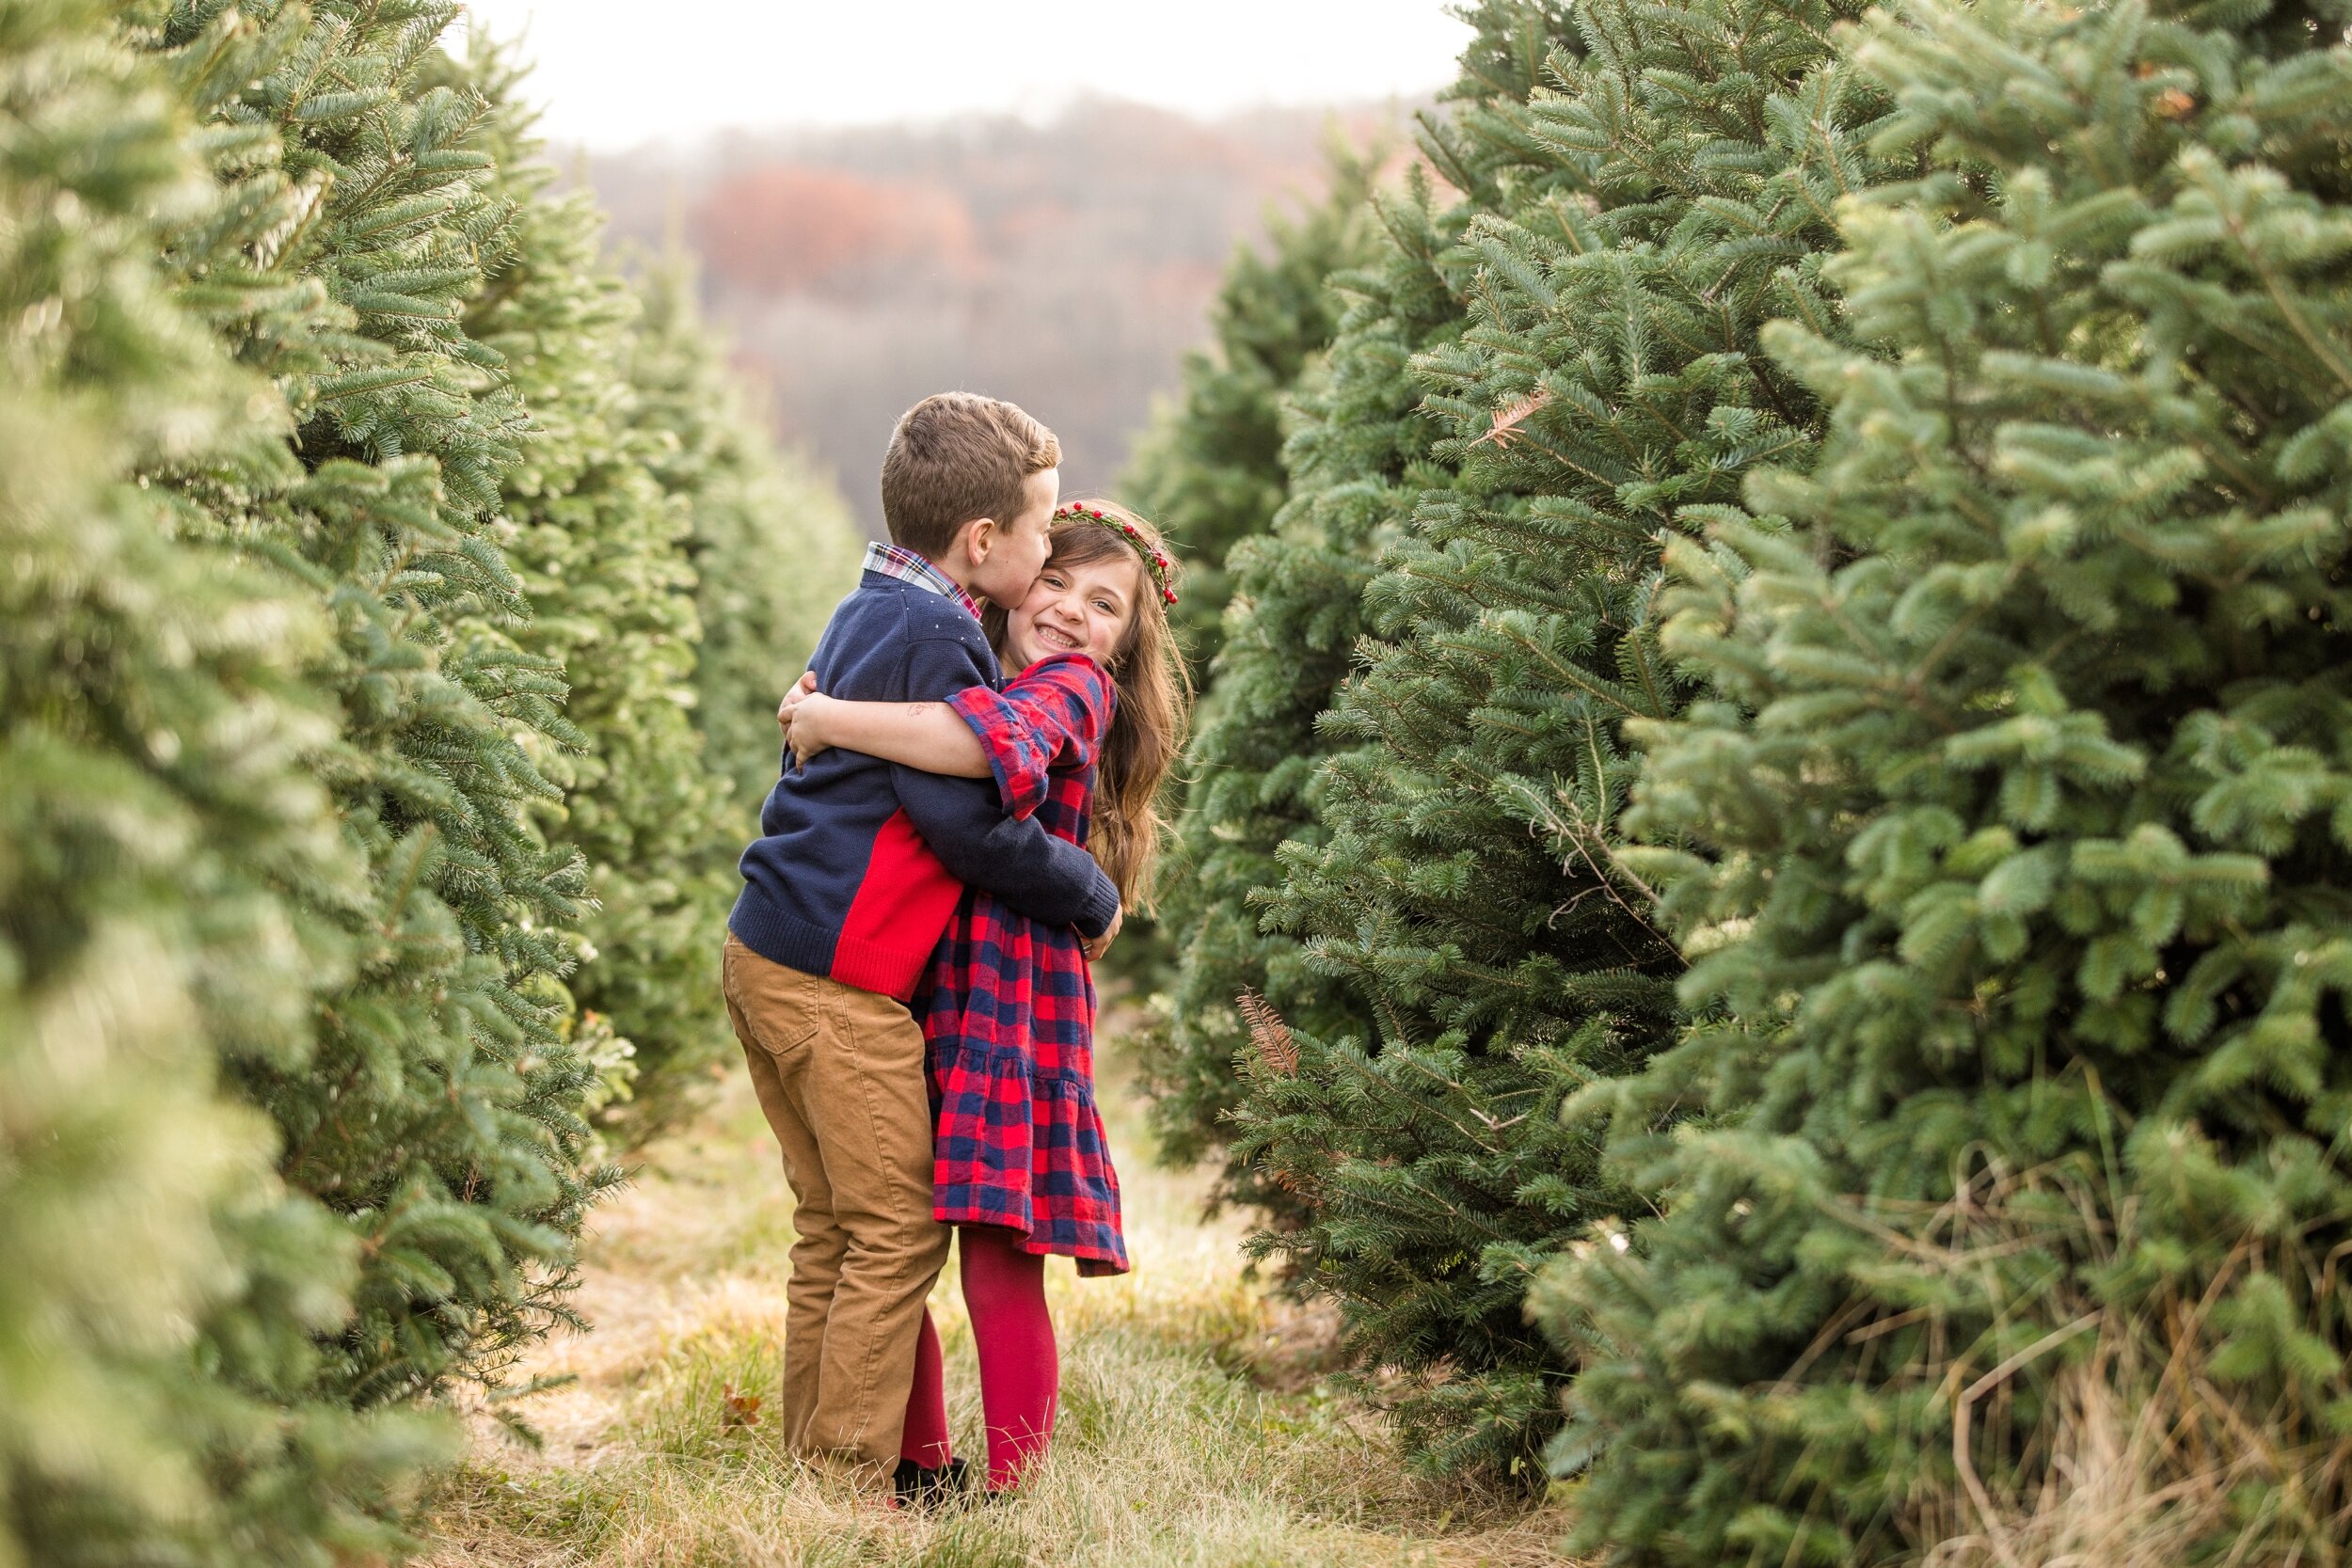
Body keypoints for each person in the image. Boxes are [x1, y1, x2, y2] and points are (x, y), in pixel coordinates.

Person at [721, 394, 1122, 1503]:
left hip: (761, 949)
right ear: (982, 542)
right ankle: (851, 1479)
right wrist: (1084, 888)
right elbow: (960, 817)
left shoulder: (871, 605)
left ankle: (810, 1458)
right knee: (894, 1230)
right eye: (1041, 534)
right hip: (833, 981)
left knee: (830, 1226)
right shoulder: (942, 633)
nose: (1047, 559)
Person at [777, 499, 1189, 1501]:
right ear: (1013, 571)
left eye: (1105, 605)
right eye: (1057, 580)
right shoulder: (961, 660)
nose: (1070, 612)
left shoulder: (1070, 690)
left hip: (1011, 1011)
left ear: (1125, 642)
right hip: (922, 996)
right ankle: (919, 1463)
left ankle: (1012, 1484)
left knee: (1000, 1262)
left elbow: (976, 740)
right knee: (897, 1234)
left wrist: (827, 715)